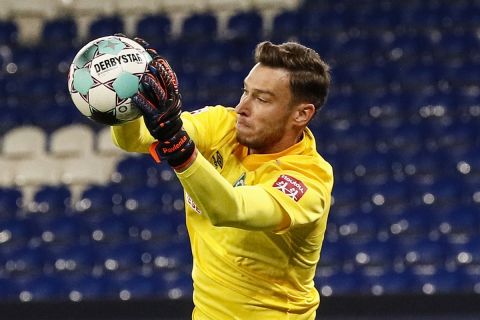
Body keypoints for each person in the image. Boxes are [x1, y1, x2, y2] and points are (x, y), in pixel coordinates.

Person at [111, 39, 333, 319]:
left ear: (301, 114)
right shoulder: (223, 125)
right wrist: (122, 103)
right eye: (246, 91)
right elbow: (138, 139)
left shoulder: (308, 179)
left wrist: (181, 150)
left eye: (262, 99)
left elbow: (230, 209)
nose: (242, 107)